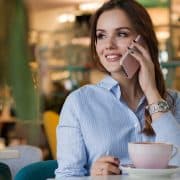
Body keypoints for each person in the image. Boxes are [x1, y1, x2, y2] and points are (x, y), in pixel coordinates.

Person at [55, 0, 180, 177]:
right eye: (101, 36)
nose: (108, 45)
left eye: (121, 34)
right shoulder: (79, 102)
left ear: (143, 40)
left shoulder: (175, 101)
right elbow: (65, 176)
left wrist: (152, 92)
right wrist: (93, 177)